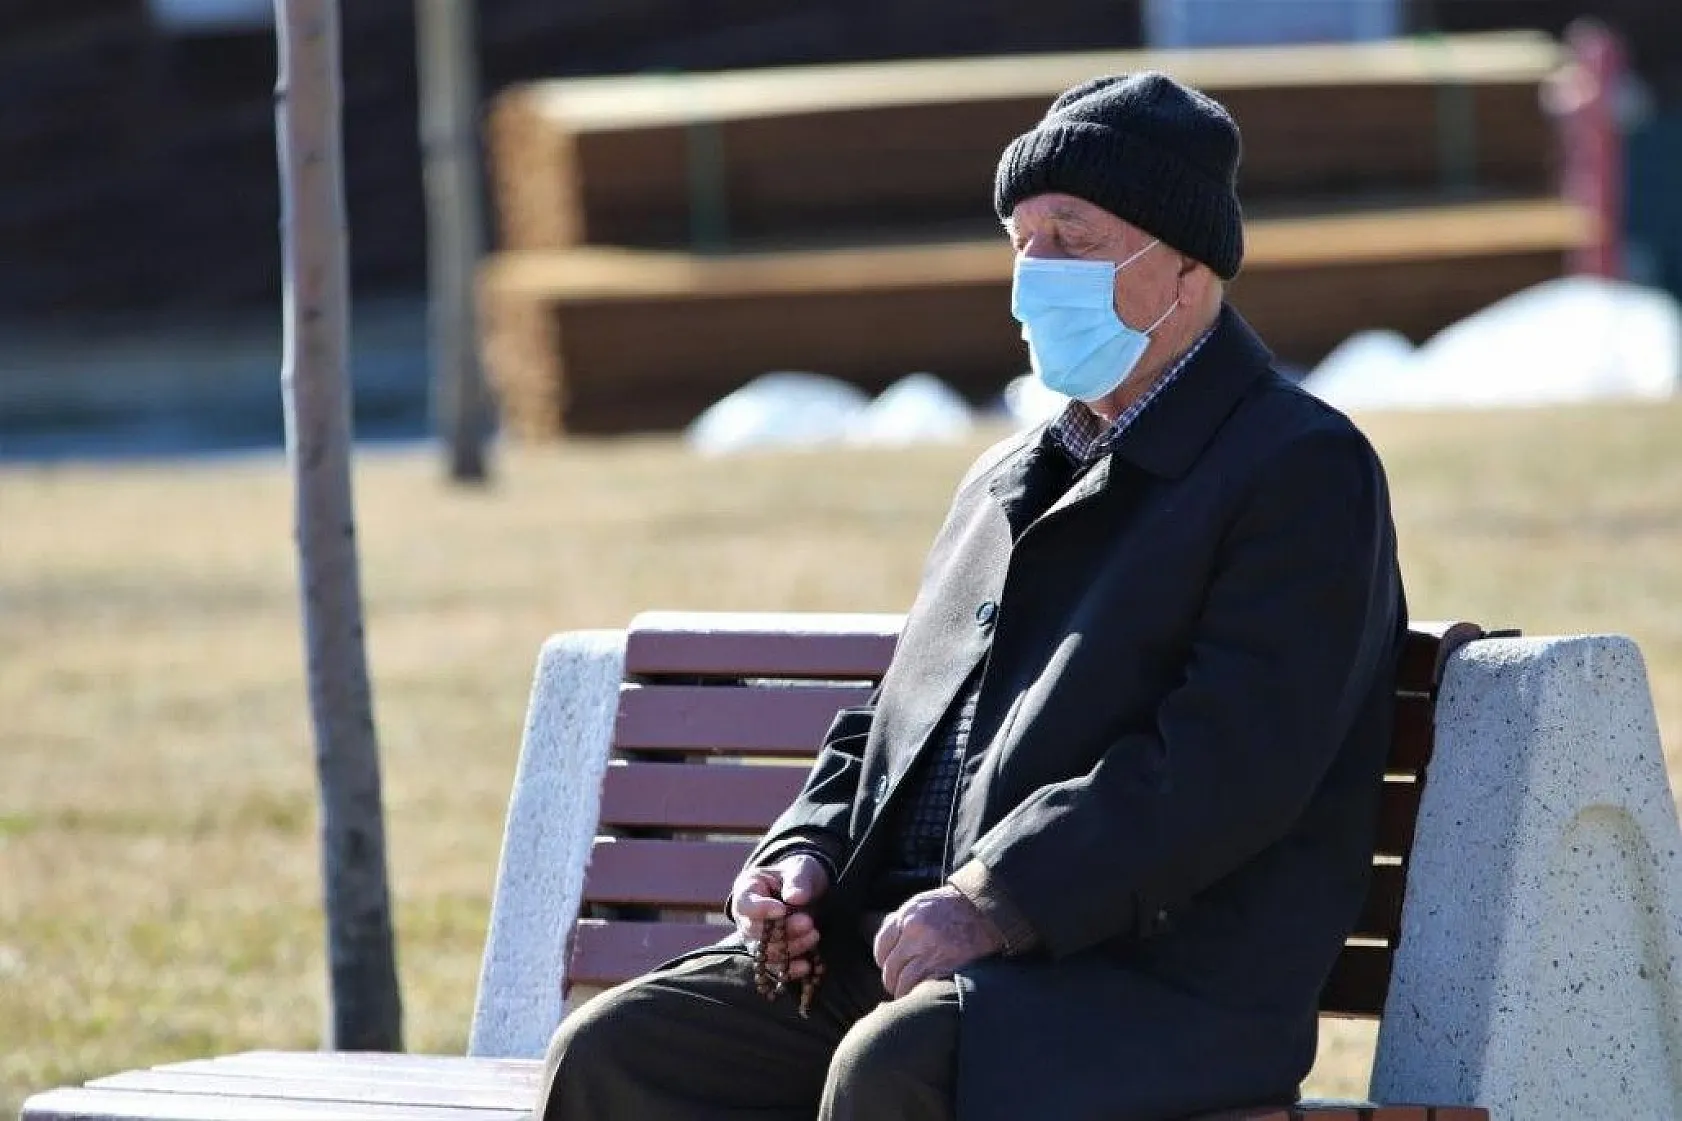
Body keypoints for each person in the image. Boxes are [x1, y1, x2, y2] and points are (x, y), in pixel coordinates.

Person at [535, 70, 1407, 1121]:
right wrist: (801, 856)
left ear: (1184, 265)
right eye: (1020, 239)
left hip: (1149, 982)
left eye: (1071, 238)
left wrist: (994, 901)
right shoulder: (1005, 478)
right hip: (921, 962)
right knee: (619, 1053)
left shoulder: (1297, 468)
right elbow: (888, 725)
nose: (1034, 272)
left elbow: (1225, 764)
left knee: (897, 1066)